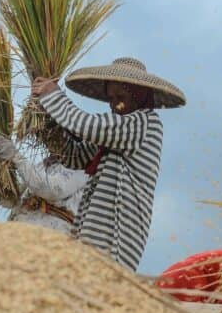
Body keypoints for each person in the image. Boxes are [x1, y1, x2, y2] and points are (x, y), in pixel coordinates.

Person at [30, 57, 186, 270]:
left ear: (138, 95)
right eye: (111, 98)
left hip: (115, 231)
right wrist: (48, 129)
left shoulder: (144, 122)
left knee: (102, 284)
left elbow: (89, 126)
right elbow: (76, 156)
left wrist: (53, 95)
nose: (114, 103)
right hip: (94, 227)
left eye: (120, 96)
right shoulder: (115, 132)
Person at [0, 134, 88, 234]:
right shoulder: (41, 165)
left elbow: (53, 190)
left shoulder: (82, 169)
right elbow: (10, 201)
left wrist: (15, 156)